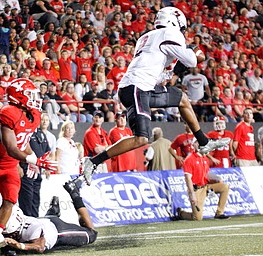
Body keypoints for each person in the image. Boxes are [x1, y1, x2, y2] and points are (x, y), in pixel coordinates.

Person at [81, 7, 230, 185]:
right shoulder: (169, 33)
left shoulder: (147, 36)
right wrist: (193, 49)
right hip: (137, 87)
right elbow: (191, 60)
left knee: (181, 99)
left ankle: (203, 142)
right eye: (181, 29)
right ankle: (93, 161)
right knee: (141, 139)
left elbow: (153, 66)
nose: (182, 33)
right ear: (175, 24)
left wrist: (168, 75)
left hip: (139, 86)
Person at [0, 78, 58, 255]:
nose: (34, 98)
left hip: (10, 167)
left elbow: (24, 141)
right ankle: (0, 243)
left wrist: (34, 158)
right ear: (18, 96)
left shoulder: (34, 115)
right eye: (30, 94)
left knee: (10, 199)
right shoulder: (7, 112)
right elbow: (12, 148)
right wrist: (34, 161)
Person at [0, 176, 97, 254]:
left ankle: (74, 193)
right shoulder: (14, 224)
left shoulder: (31, 230)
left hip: (57, 230)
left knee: (92, 233)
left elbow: (40, 246)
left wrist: (20, 246)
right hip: (44, 220)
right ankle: (52, 211)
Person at [176, 137, 231, 221]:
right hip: (196, 189)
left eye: (200, 143)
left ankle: (219, 213)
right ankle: (182, 214)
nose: (199, 144)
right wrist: (192, 194)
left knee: (225, 187)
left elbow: (207, 173)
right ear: (193, 145)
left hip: (205, 187)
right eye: (197, 142)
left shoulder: (204, 158)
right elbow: (188, 178)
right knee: (197, 218)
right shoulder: (189, 159)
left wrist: (217, 178)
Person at [18, 125, 52, 218]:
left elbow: (46, 151)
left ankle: (35, 219)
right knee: (26, 197)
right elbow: (16, 149)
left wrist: (46, 165)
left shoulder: (40, 133)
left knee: (35, 197)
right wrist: (17, 166)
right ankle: (27, 220)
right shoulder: (24, 131)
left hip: (37, 170)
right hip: (26, 168)